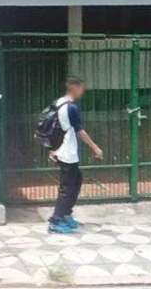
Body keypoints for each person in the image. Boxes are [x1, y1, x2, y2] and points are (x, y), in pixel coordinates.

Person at [48, 77, 103, 234]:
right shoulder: (71, 107)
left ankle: (65, 214)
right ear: (74, 87)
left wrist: (52, 149)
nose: (82, 91)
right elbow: (80, 131)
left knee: (76, 180)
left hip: (62, 150)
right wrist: (95, 147)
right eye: (81, 88)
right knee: (67, 188)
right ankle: (56, 221)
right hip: (67, 153)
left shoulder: (58, 102)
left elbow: (53, 127)